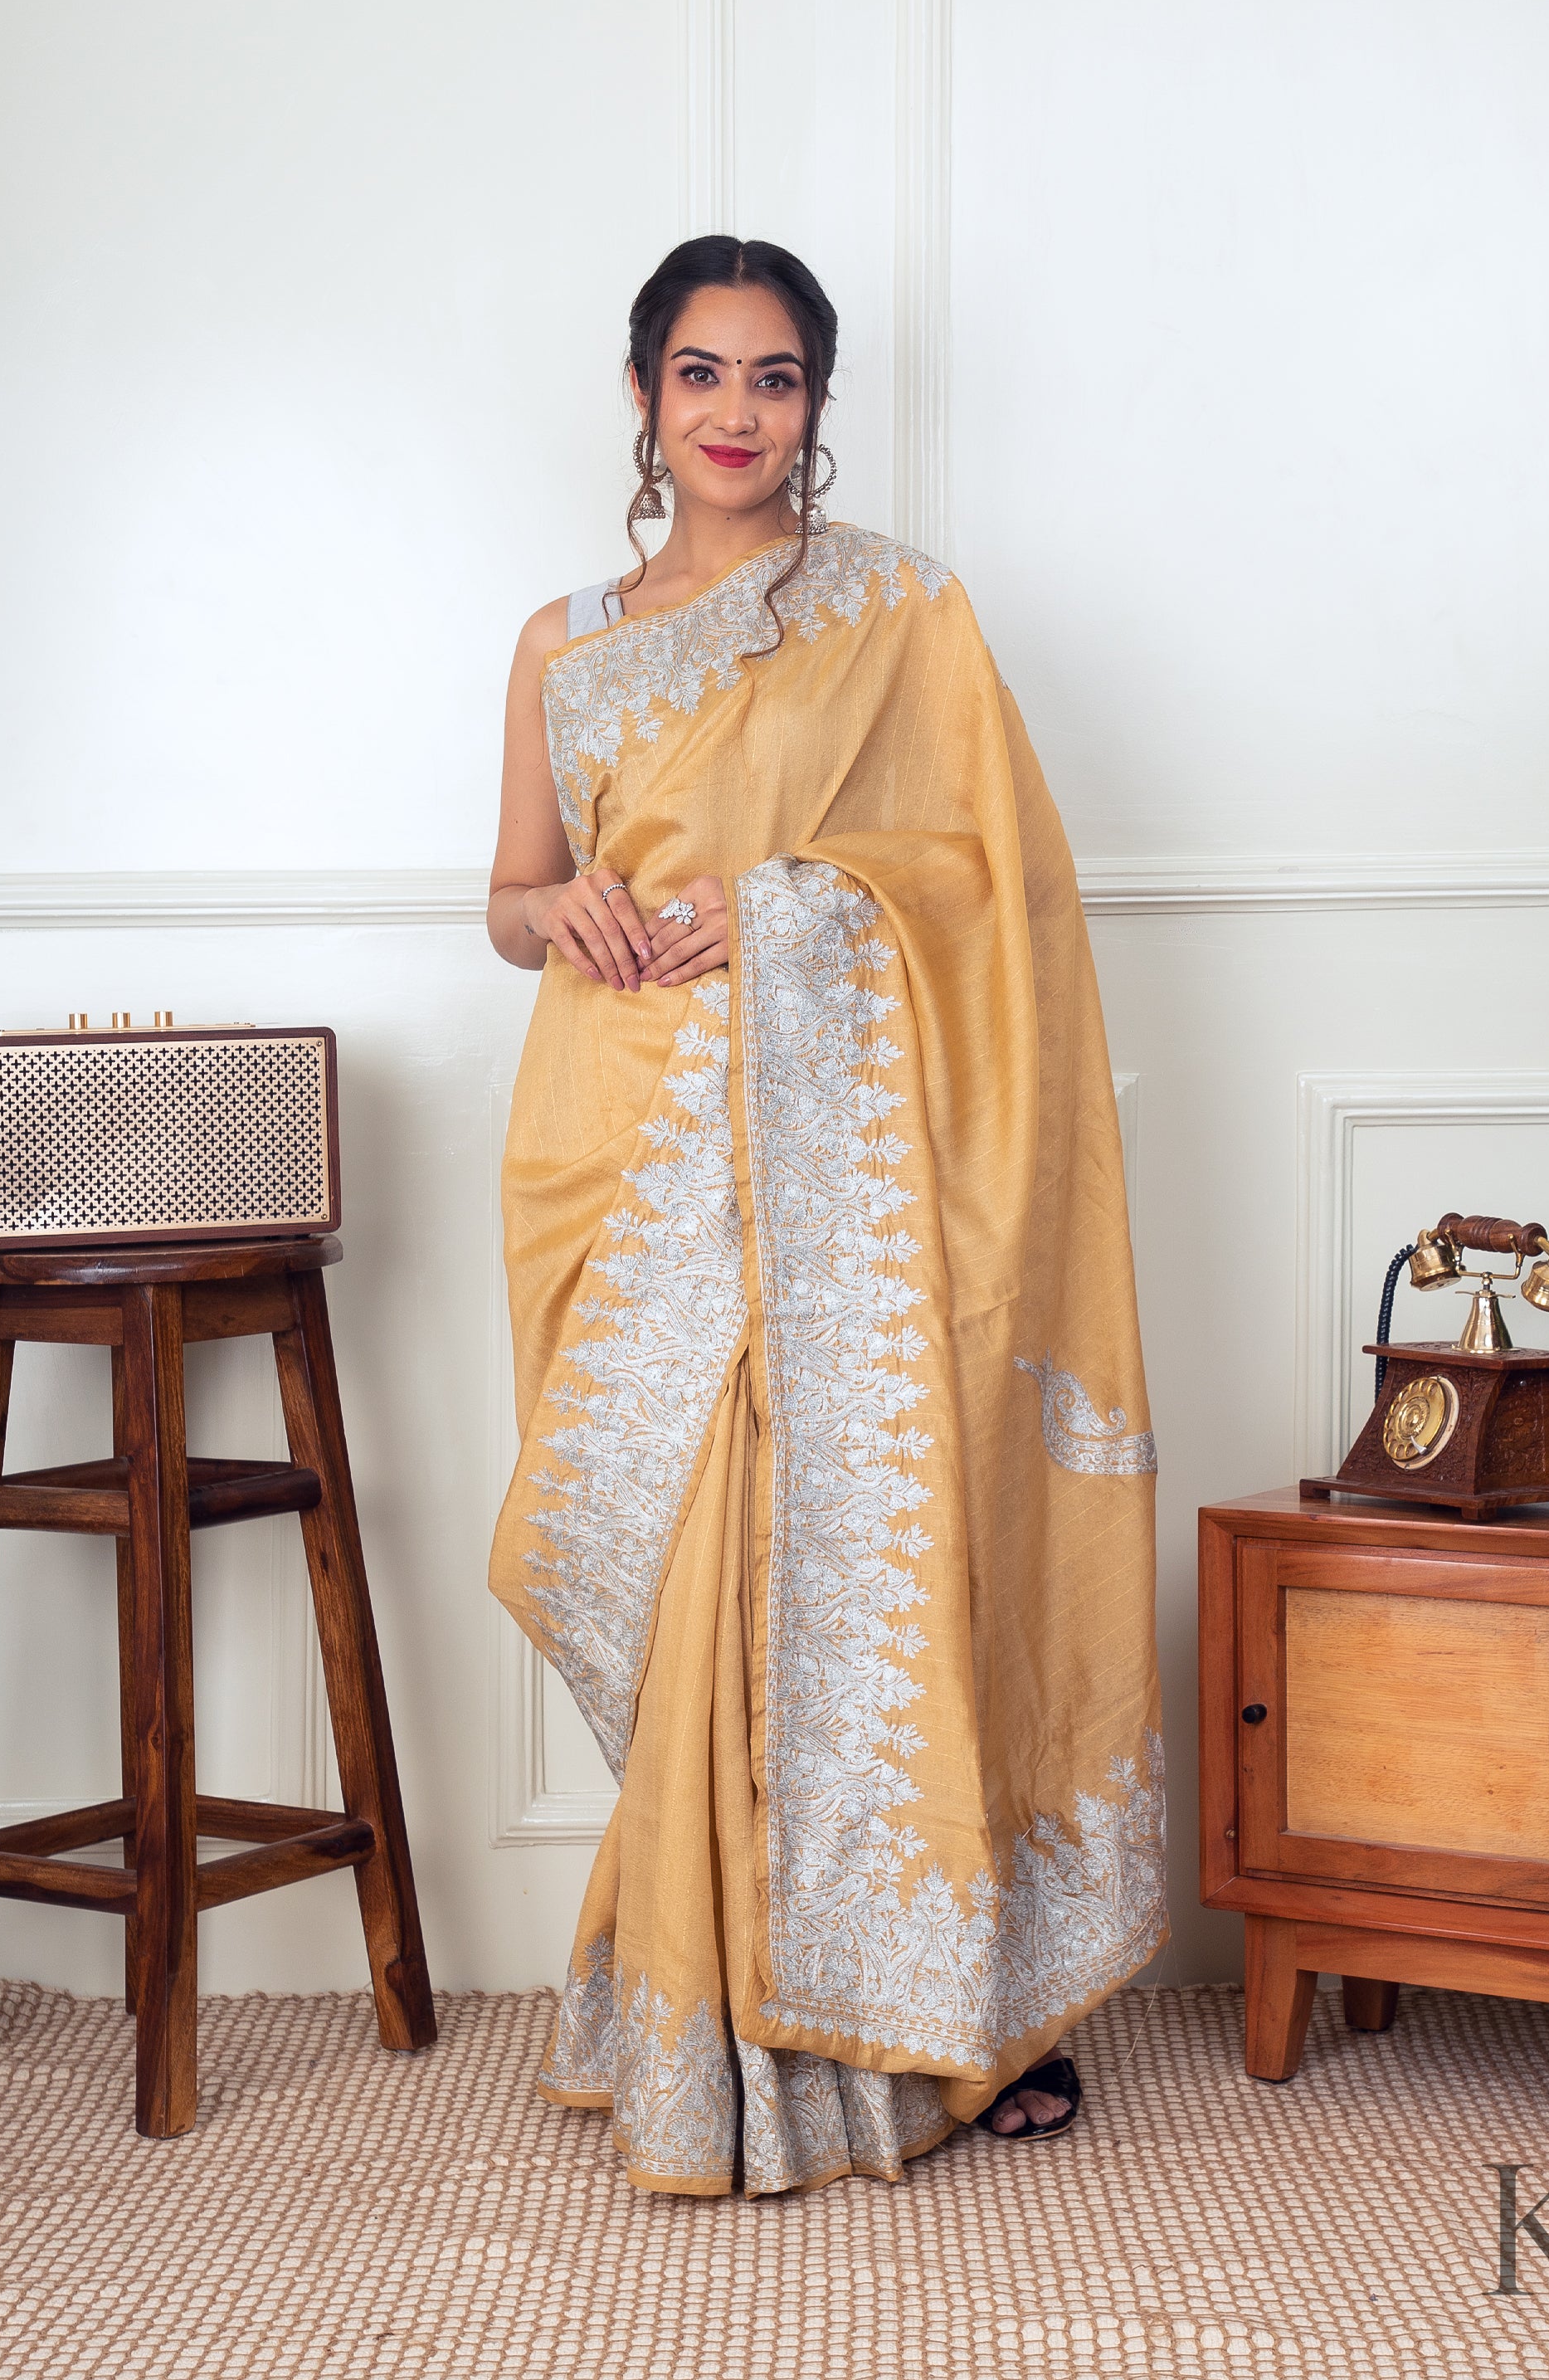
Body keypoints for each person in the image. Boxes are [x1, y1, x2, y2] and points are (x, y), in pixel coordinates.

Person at [485, 235, 1162, 2196]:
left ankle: (909, 2018)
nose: (735, 412)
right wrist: (562, 910)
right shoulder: (560, 643)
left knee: (843, 1559)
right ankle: (705, 2015)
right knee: (671, 1576)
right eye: (700, 373)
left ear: (817, 404)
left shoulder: (900, 612)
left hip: (838, 1155)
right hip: (621, 1146)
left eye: (773, 378)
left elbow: (995, 886)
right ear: (642, 395)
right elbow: (511, 896)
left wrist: (794, 909)